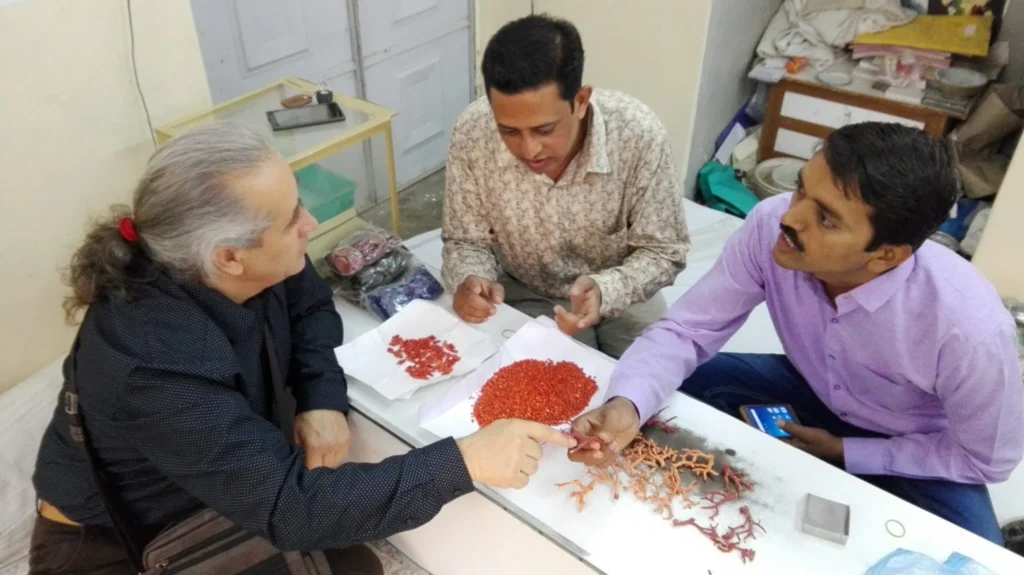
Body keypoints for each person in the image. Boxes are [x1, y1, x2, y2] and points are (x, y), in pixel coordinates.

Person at [30, 122, 575, 575]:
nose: (309, 225)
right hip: (119, 539)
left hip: (220, 481)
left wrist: (320, 396)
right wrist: (465, 460)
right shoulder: (151, 364)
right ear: (229, 257)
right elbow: (289, 508)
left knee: (357, 562)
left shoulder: (240, 262)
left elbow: (310, 305)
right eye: (292, 219)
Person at [569, 122, 1024, 544]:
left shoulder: (969, 330)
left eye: (826, 219)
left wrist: (849, 452)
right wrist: (626, 405)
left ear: (886, 256)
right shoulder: (770, 226)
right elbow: (688, 331)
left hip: (911, 438)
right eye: (802, 188)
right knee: (650, 386)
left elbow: (985, 459)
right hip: (811, 386)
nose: (791, 218)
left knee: (980, 557)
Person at [441, 15, 690, 358]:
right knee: (549, 380)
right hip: (527, 289)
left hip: (624, 288)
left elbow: (664, 250)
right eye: (509, 131)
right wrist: (472, 279)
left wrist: (607, 289)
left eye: (544, 130)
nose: (529, 149)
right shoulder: (474, 132)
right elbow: (465, 240)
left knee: (652, 376)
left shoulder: (637, 134)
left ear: (581, 100)